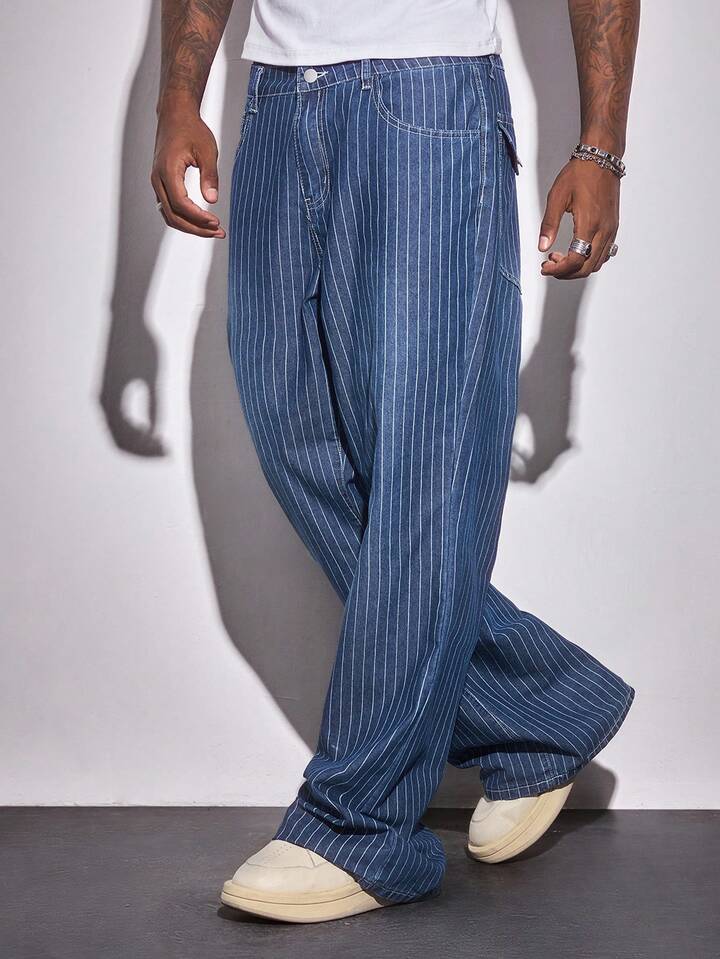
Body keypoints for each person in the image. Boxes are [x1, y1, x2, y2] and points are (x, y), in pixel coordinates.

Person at [151, 0, 639, 923]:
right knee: (294, 435)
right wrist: (180, 96)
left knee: (427, 467)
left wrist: (601, 147)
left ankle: (362, 823)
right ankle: (539, 712)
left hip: (431, 98)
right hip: (277, 102)